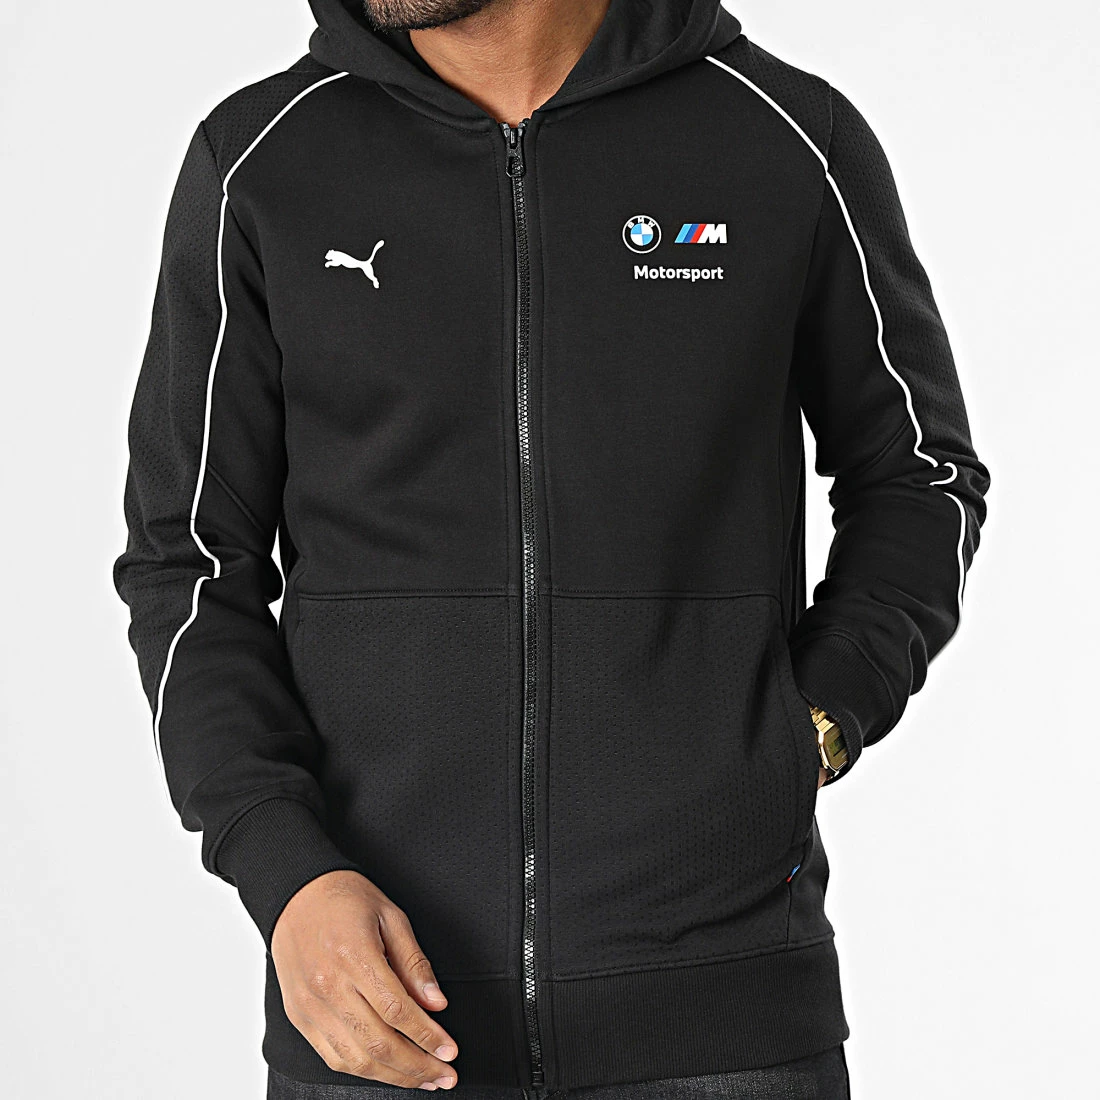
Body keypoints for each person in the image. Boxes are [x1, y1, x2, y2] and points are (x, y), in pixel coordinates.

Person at [113, 0, 990, 1096]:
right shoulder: (265, 160)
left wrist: (812, 722)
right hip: (380, 1021)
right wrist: (283, 869)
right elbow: (189, 560)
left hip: (722, 1022)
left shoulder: (781, 138)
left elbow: (919, 476)